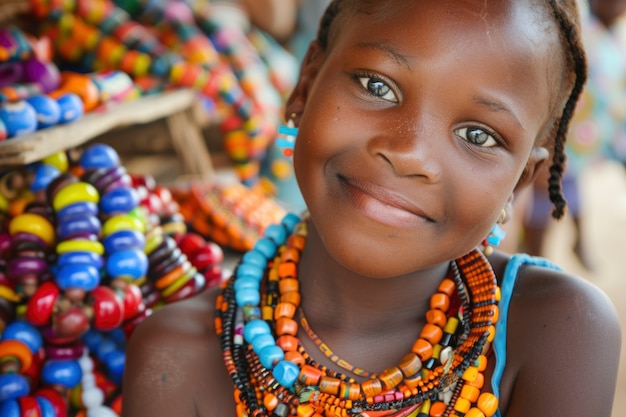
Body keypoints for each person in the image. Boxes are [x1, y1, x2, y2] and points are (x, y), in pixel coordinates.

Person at [121, 1, 622, 417]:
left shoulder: (557, 330)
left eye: (478, 135)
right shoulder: (176, 356)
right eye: (377, 86)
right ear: (305, 84)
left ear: (519, 184)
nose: (409, 154)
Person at [519, 0, 626, 268]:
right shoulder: (579, 29)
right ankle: (534, 259)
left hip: (582, 146)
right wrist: (549, 144)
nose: (616, 5)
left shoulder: (612, 34)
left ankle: (577, 243)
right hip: (556, 146)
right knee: (542, 206)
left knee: (573, 197)